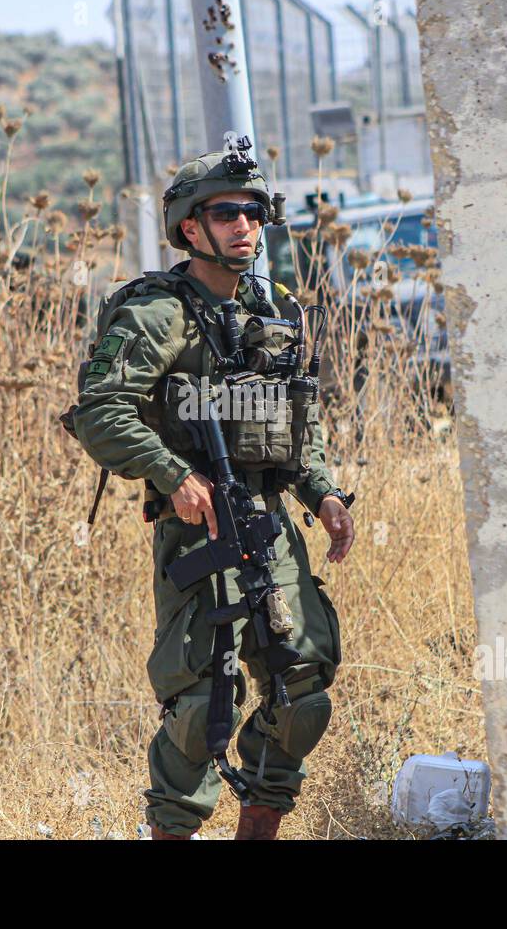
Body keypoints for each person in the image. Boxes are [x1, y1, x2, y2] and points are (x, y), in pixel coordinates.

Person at [71, 146, 355, 840]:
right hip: (196, 525)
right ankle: (170, 829)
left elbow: (297, 423)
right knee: (202, 704)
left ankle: (258, 825)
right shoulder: (157, 314)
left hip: (270, 519)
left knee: (303, 690)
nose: (244, 227)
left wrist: (323, 494)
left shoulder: (275, 309)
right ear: (189, 228)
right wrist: (172, 474)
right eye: (225, 213)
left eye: (253, 213)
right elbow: (99, 410)